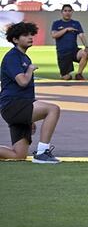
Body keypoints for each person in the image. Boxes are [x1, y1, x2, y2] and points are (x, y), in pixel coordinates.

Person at [0, 21, 61, 163]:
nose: (30, 37)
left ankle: (41, 153)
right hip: (13, 105)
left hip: (19, 106)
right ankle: (42, 153)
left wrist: (30, 118)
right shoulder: (12, 57)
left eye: (31, 34)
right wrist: (30, 69)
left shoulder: (24, 57)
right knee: (53, 109)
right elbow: (22, 82)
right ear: (15, 40)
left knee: (18, 155)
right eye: (25, 35)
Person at [51, 3, 88, 80]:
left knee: (85, 53)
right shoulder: (56, 23)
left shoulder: (76, 23)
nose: (67, 13)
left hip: (74, 50)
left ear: (72, 12)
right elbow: (54, 35)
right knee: (67, 77)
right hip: (63, 52)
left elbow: (81, 35)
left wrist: (86, 46)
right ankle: (64, 74)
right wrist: (66, 29)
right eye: (65, 11)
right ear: (62, 12)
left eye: (69, 11)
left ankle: (79, 74)